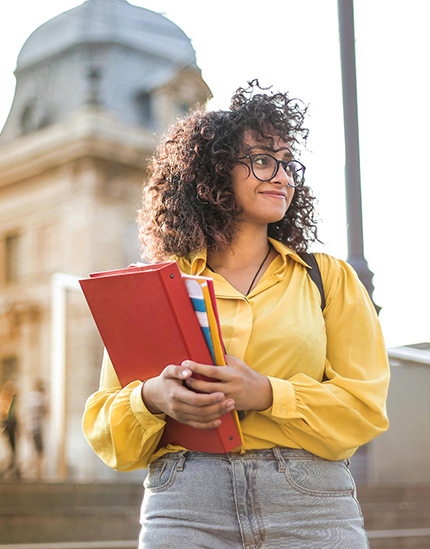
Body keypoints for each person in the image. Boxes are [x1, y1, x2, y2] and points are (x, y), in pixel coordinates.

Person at [83, 81, 390, 548]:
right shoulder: (157, 287)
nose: (283, 176)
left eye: (289, 164)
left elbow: (365, 408)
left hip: (310, 502)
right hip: (185, 502)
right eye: (263, 160)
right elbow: (107, 428)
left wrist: (268, 393)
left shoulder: (328, 278)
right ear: (213, 172)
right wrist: (151, 398)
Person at [26, 380, 47, 480]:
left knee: (34, 451)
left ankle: (34, 471)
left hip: (30, 428)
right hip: (37, 428)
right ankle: (37, 473)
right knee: (40, 452)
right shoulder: (39, 399)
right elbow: (45, 411)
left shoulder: (30, 399)